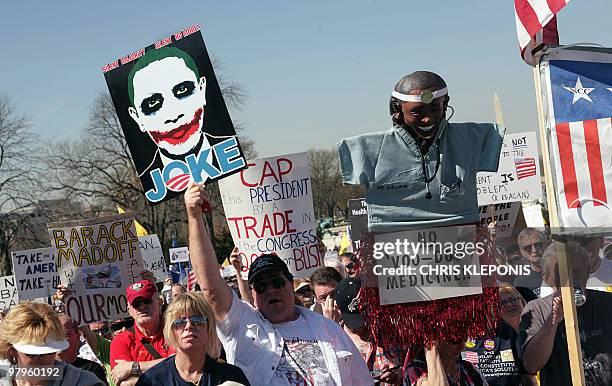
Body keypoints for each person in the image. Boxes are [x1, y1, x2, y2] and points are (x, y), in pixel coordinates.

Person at [184, 182, 373, 385]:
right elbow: (210, 285)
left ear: (291, 285)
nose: (271, 290)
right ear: (253, 294)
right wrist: (194, 217)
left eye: (277, 282)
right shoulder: (242, 325)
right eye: (261, 286)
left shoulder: (329, 329)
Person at [338, 71, 504, 232]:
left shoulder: (475, 139)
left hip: (460, 245)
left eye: (434, 109)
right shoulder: (366, 149)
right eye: (417, 112)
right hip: (392, 249)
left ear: (445, 104)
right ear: (396, 109)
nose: (427, 119)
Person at [519, 241, 612, 385]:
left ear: (587, 272)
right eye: (562, 273)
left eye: (576, 271)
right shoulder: (536, 309)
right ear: (546, 278)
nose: (570, 279)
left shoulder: (607, 303)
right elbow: (531, 364)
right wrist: (553, 320)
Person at [135, 292, 249, 386]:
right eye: (180, 322)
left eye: (197, 320)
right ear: (171, 330)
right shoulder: (151, 381)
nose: (189, 326)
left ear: (208, 327)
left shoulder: (232, 377)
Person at [0, 302, 104, 386]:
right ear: (12, 350)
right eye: (34, 353)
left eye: (50, 351)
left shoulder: (84, 382)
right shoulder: (4, 379)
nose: (45, 359)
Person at [462, 284, 537, 386]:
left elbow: (527, 376)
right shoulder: (463, 338)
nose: (509, 304)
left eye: (512, 299)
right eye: (503, 302)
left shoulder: (510, 333)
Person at [336, 278, 406, 385]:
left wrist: (398, 373)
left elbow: (414, 367)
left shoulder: (393, 332)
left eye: (366, 316)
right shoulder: (334, 342)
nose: (363, 325)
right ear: (338, 309)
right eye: (353, 319)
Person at [110, 280, 175, 386]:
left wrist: (133, 367)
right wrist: (169, 367)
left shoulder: (176, 330)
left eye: (147, 300)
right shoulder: (121, 341)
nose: (142, 306)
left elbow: (182, 365)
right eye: (136, 304)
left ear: (159, 302)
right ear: (130, 311)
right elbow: (126, 384)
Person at [404, 340, 488, 386]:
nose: (462, 347)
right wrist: (430, 346)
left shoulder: (469, 368)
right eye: (454, 342)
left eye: (465, 340)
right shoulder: (416, 368)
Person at [57, 314, 109, 385]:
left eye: (64, 334)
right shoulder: (42, 372)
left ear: (77, 336)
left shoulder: (91, 370)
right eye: (52, 334)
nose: (57, 339)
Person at [514, 228, 547, 298]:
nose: (534, 250)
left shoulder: (561, 268)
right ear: (522, 252)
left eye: (538, 245)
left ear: (545, 244)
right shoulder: (521, 283)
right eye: (528, 248)